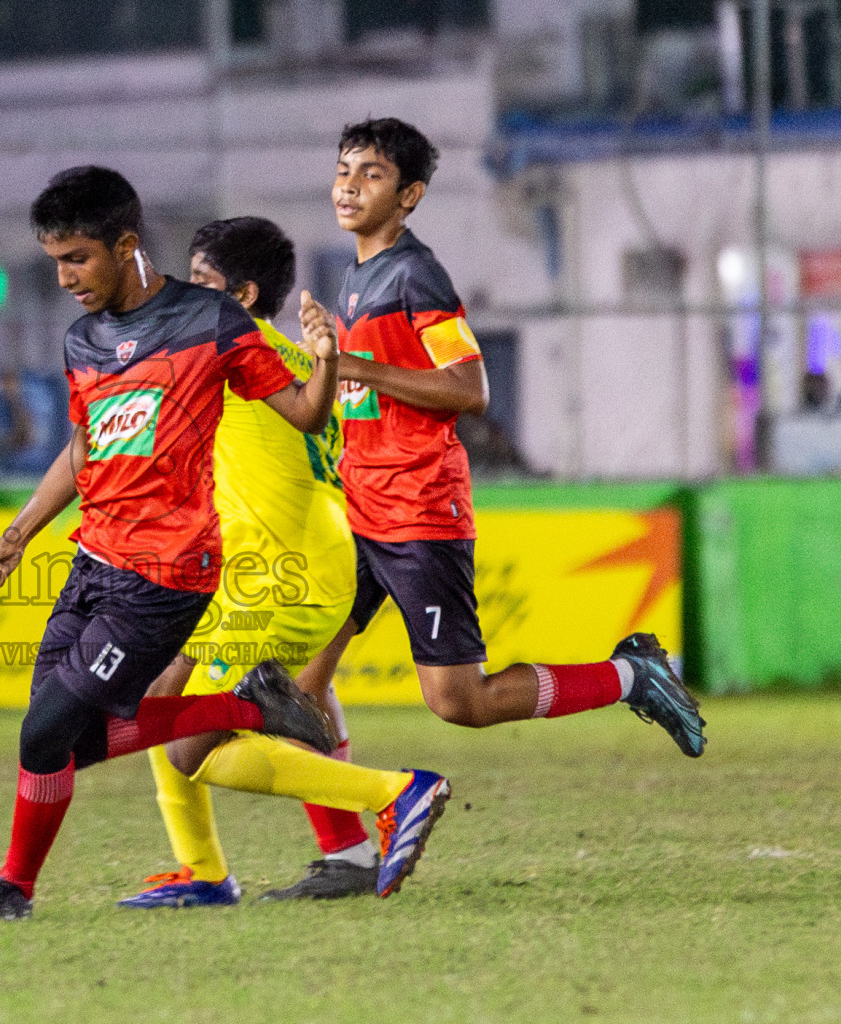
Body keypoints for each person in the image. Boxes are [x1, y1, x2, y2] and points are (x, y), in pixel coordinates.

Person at [0, 166, 396, 922]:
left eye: (77, 259)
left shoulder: (210, 323)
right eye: (53, 261)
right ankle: (250, 712)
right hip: (94, 561)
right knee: (60, 742)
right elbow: (86, 447)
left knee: (48, 730)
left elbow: (305, 418)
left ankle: (13, 889)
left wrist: (321, 360)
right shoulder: (83, 340)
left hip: (170, 572)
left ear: (126, 246)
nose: (63, 278)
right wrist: (18, 534)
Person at [264, 117, 705, 893]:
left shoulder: (414, 275)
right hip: (360, 507)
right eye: (342, 168)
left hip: (416, 512)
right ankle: (347, 858)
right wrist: (328, 365)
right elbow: (365, 392)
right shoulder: (358, 276)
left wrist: (356, 360)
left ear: (409, 197)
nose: (347, 184)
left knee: (458, 703)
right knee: (297, 679)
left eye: (370, 174)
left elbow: (469, 388)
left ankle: (633, 677)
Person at [119, 216, 445, 908]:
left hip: (277, 577)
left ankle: (394, 792)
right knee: (158, 696)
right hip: (289, 563)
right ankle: (204, 871)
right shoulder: (291, 360)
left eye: (201, 281)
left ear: (240, 292)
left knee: (188, 744)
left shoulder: (222, 350)